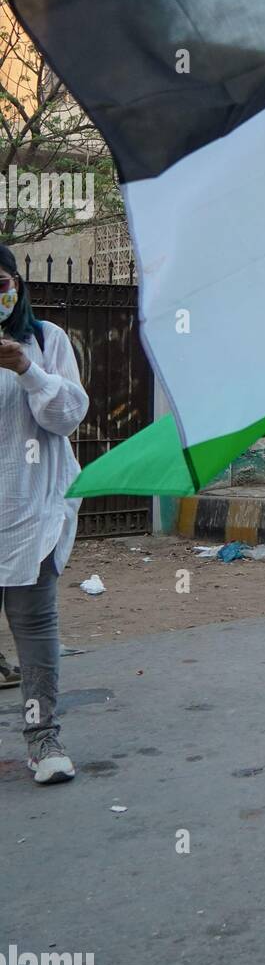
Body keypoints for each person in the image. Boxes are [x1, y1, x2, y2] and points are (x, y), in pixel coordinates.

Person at [0, 243, 89, 784]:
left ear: (17, 283)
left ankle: (43, 739)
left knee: (35, 630)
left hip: (30, 508)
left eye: (1, 282)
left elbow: (67, 417)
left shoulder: (46, 340)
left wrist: (28, 370)